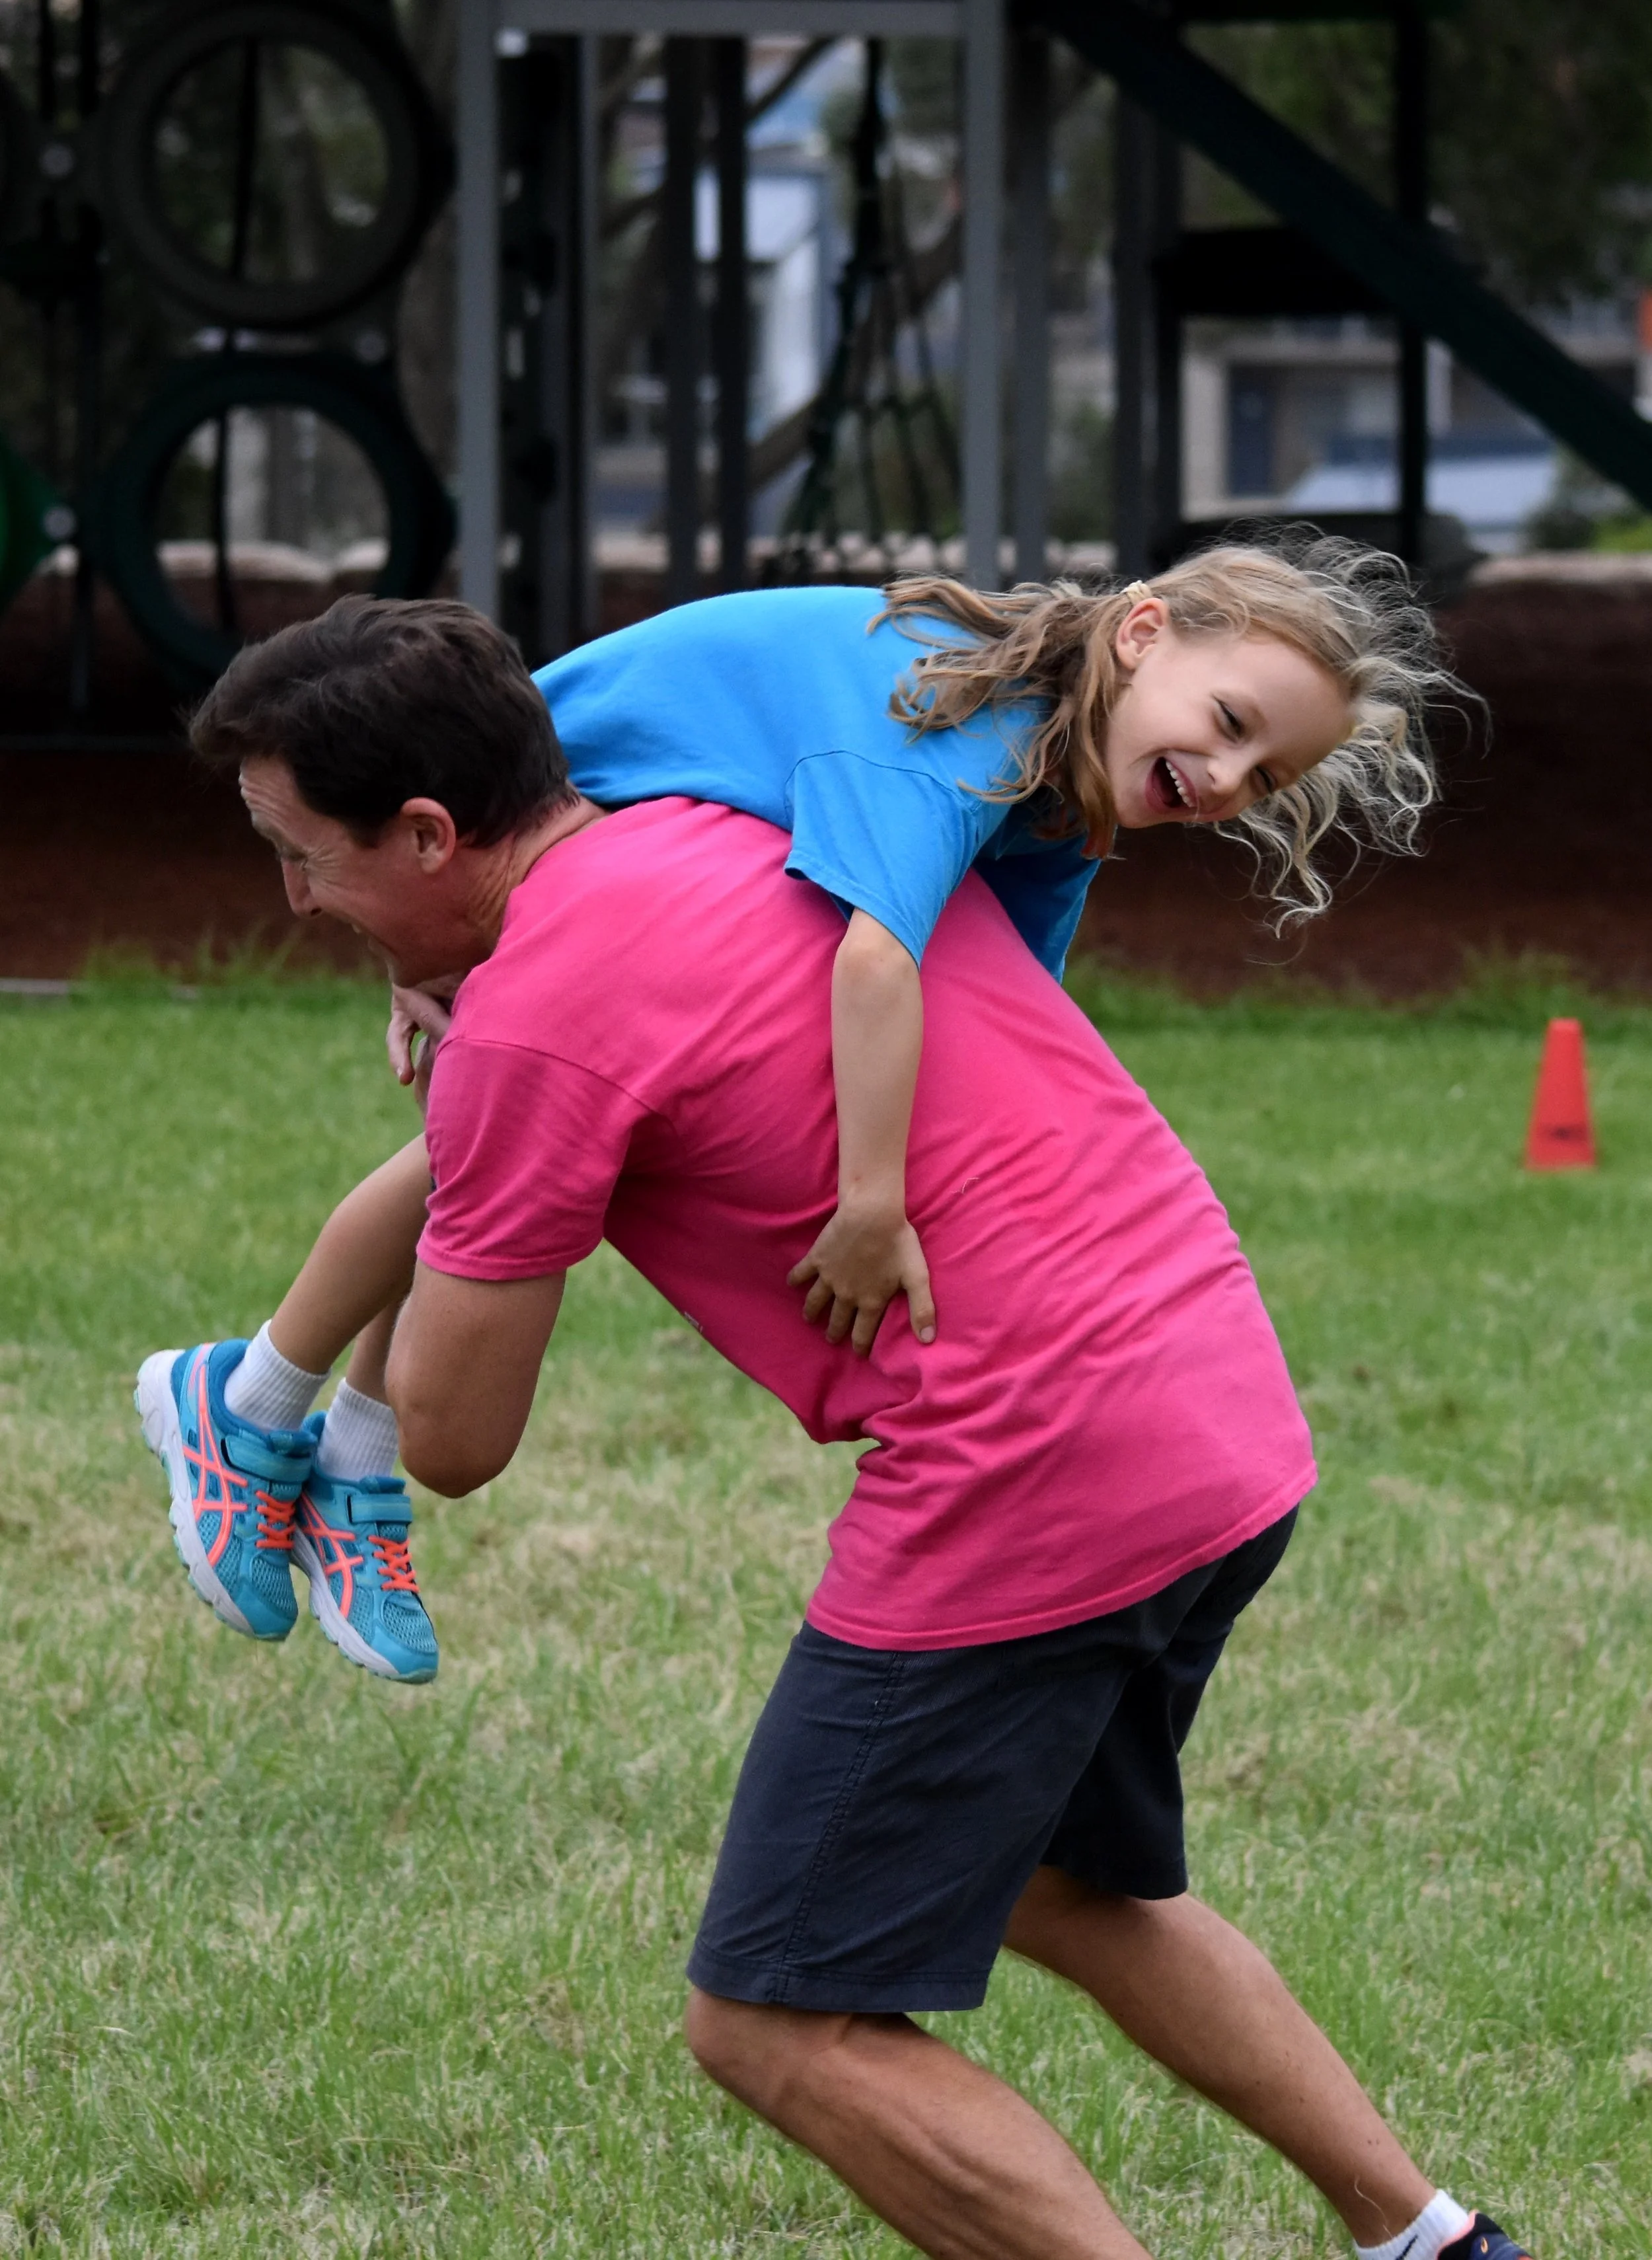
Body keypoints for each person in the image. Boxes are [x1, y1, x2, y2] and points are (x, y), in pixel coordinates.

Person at [141, 649, 1532, 2260]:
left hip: (1032, 1468)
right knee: (1060, 1881)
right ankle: (1434, 2242)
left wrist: (486, 1157)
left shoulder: (532, 1028)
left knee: (777, 2021)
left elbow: (454, 1443)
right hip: (1216, 1405)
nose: (298, 902)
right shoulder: (734, 825)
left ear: (434, 833)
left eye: (301, 851)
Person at [135, 545, 1445, 1684]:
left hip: (584, 841)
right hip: (544, 803)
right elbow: (875, 963)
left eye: (1262, 773)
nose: (1225, 776)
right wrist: (870, 1204)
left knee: (484, 1157)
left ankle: (332, 1442)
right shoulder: (972, 741)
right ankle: (255, 1403)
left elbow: (1000, 1016)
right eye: (1224, 721)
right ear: (1143, 631)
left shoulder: (1056, 803)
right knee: (485, 1154)